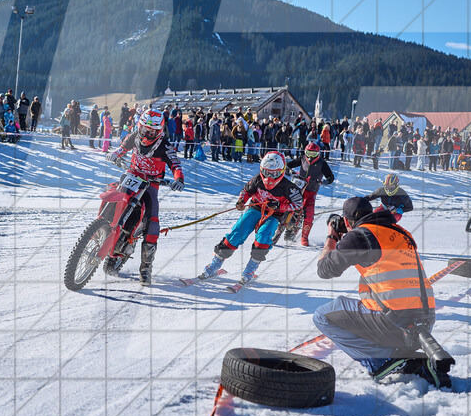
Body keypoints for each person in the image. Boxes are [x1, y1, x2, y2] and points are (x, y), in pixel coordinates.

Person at [313, 197, 450, 388]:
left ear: (346, 221)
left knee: (322, 315)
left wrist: (333, 237)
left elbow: (324, 270)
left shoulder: (360, 236)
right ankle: (401, 355)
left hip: (395, 323)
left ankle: (380, 361)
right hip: (425, 322)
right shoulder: (402, 233)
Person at [197, 151, 302, 286]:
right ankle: (214, 265)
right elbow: (246, 190)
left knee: (263, 238)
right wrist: (241, 200)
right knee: (237, 233)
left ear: (281, 172)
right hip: (255, 209)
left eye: (273, 173)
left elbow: (298, 204)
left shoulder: (289, 187)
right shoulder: (258, 179)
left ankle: (249, 271)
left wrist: (279, 205)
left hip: (273, 215)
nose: (269, 177)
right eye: (266, 172)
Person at [105, 109, 185, 285]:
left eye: (151, 131)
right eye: (144, 129)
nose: (147, 133)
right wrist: (116, 154)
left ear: (159, 131)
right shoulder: (135, 136)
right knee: (113, 193)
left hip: (151, 184)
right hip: (131, 174)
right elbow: (123, 147)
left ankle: (146, 268)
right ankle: (102, 226)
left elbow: (175, 164)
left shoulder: (165, 146)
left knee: (152, 221)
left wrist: (179, 179)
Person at [285, 142, 336, 246]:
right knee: (290, 206)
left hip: (311, 191)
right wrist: (288, 170)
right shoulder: (303, 158)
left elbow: (330, 178)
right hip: (299, 188)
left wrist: (322, 182)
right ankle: (286, 228)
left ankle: (304, 237)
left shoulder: (322, 163)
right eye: (308, 153)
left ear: (318, 154)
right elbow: (289, 165)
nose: (310, 156)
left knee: (308, 214)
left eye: (313, 154)